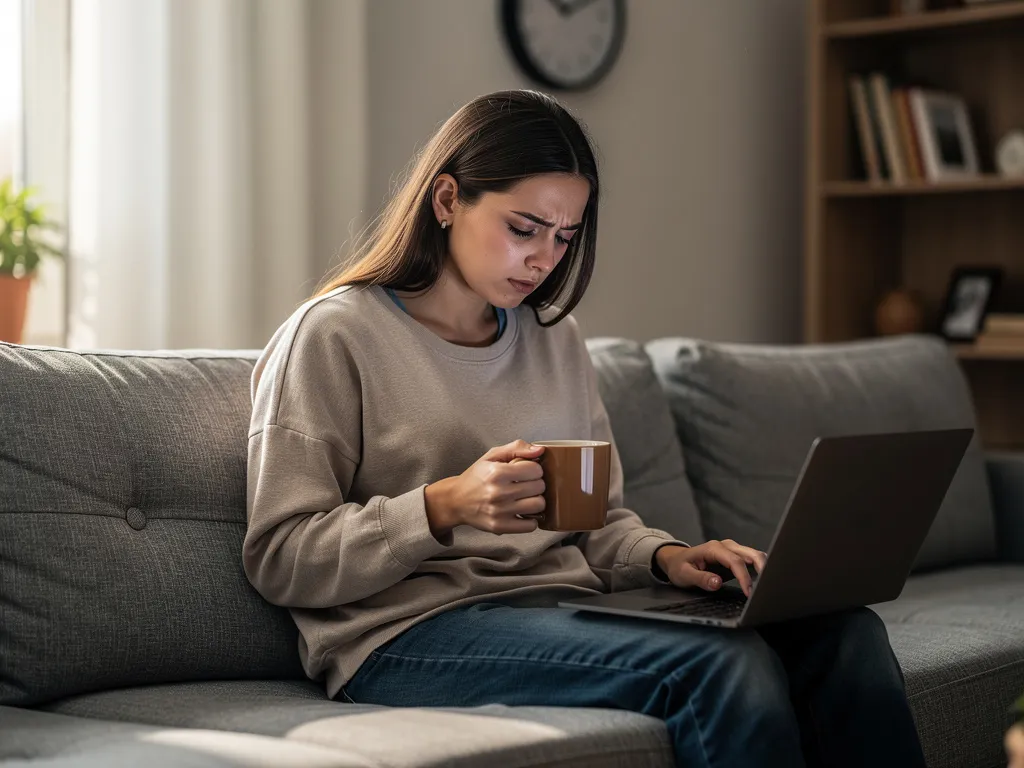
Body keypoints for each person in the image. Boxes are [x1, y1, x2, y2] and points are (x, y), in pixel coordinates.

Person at [243, 89, 927, 767]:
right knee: (722, 666)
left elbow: (594, 521)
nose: (545, 258)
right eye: (524, 228)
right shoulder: (333, 335)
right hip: (404, 637)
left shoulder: (552, 339)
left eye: (564, 236)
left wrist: (667, 557)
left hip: (558, 612)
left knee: (846, 636)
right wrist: (443, 505)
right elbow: (282, 556)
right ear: (447, 200)